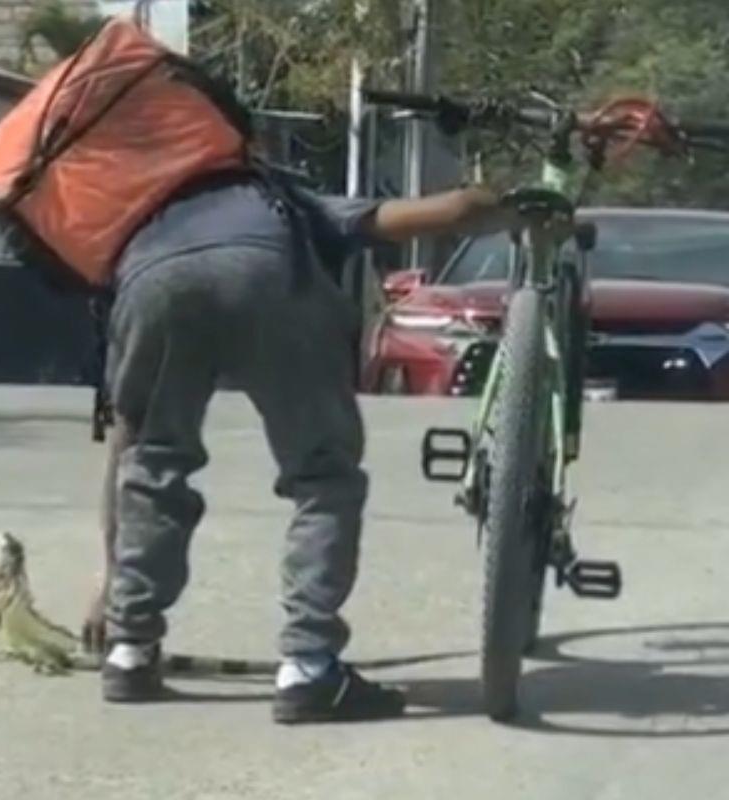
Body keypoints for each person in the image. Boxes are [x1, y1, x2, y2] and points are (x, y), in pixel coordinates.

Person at [79, 173, 522, 724]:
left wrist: (107, 584)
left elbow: (125, 443)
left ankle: (130, 652)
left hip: (153, 283)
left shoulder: (147, 207)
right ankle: (310, 667)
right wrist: (504, 204)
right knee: (323, 475)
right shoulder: (278, 195)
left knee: (152, 460)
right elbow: (445, 211)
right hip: (269, 279)